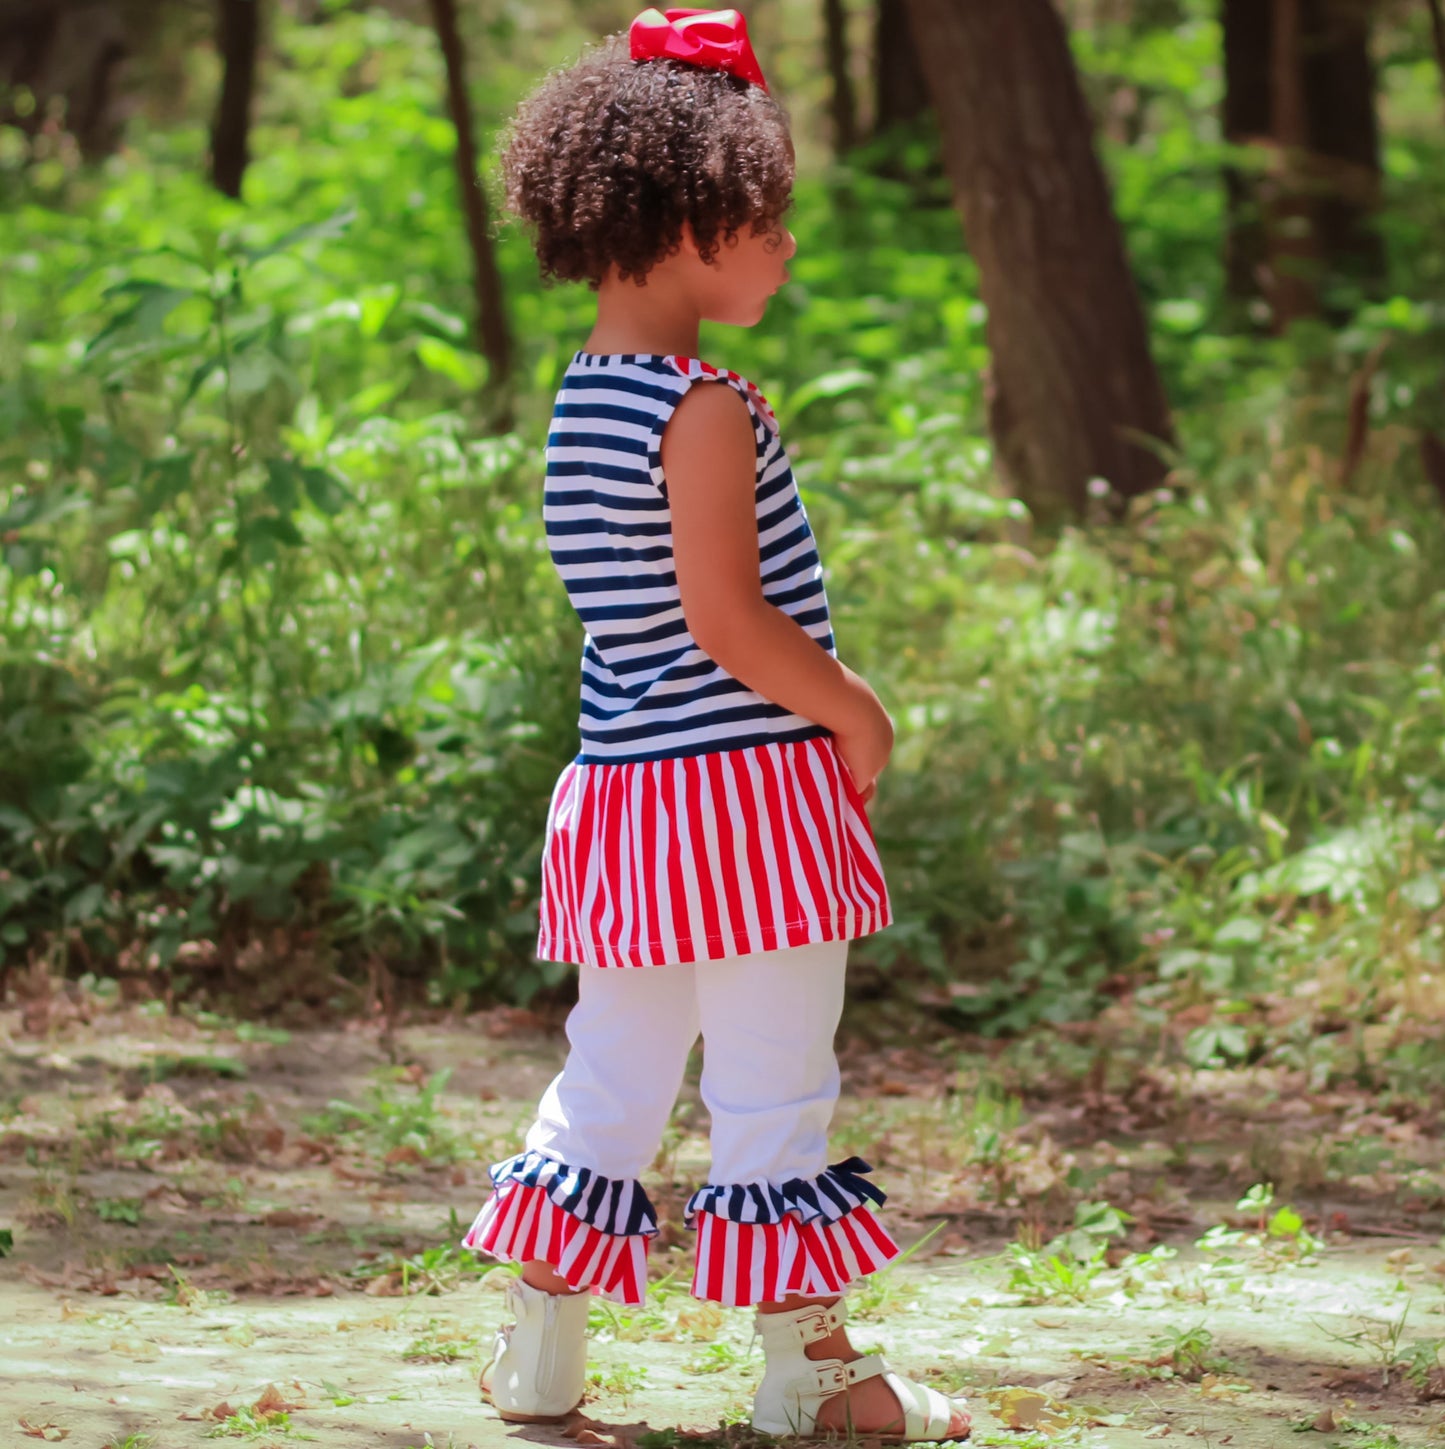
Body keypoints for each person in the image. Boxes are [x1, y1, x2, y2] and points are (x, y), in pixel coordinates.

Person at [460, 8, 970, 1441]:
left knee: (611, 1069)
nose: (788, 244)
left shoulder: (583, 400)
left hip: (627, 800)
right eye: (771, 216)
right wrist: (855, 710)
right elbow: (727, 624)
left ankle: (542, 1349)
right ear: (690, 220)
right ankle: (815, 1371)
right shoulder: (699, 409)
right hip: (743, 806)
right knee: (771, 1083)